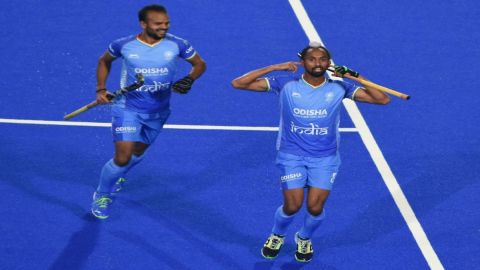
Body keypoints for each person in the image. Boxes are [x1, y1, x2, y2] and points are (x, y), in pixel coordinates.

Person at [231, 42, 390, 262]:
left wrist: (355, 76)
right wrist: (273, 67)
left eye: (322, 59)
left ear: (328, 63)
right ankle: (277, 234)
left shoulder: (339, 87)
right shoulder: (285, 83)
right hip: (291, 155)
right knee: (292, 205)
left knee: (315, 208)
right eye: (312, 59)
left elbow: (382, 99)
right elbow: (238, 83)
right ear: (303, 62)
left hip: (325, 158)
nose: (318, 63)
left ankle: (304, 237)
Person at [91, 4, 206, 219]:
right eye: (158, 24)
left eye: (167, 23)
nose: (164, 27)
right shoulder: (124, 45)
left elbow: (200, 64)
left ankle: (119, 174)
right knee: (123, 157)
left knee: (137, 153)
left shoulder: (177, 44)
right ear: (143, 24)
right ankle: (102, 193)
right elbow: (104, 61)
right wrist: (101, 89)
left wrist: (190, 79)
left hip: (159, 110)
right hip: (128, 108)